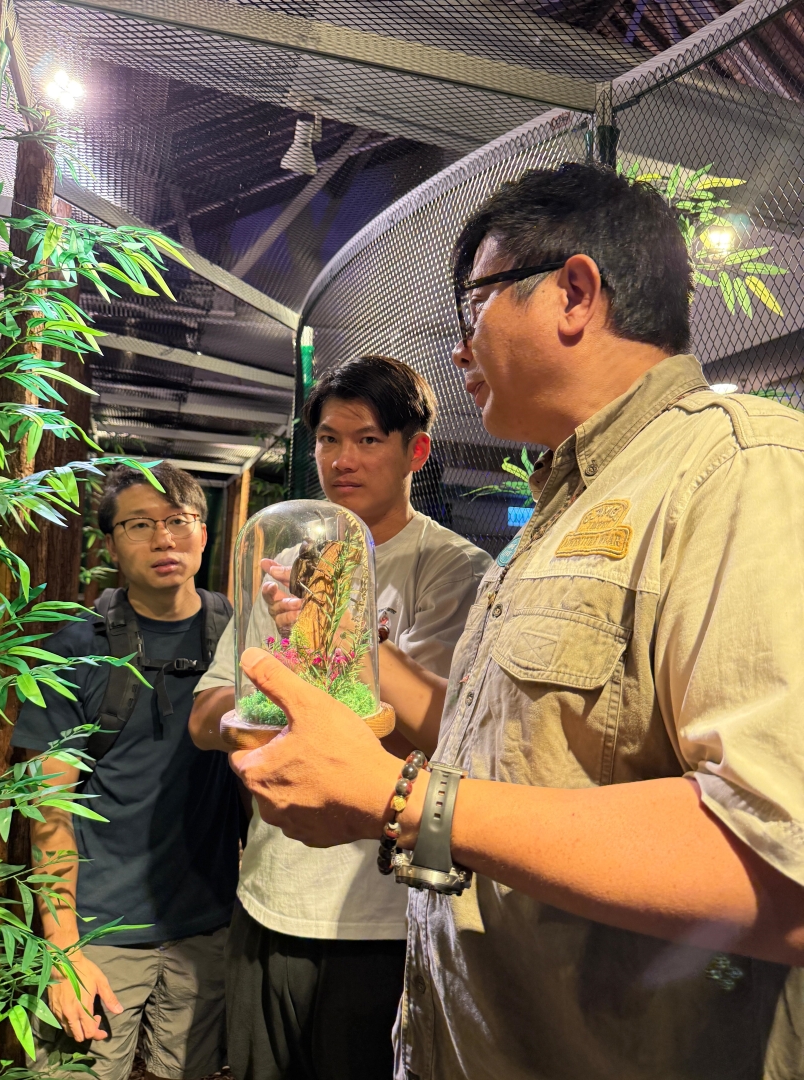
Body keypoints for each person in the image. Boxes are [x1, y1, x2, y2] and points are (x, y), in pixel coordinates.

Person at [229, 163, 804, 1080]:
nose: (459, 353)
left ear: (574, 293)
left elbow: (778, 863)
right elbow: (515, 746)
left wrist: (399, 801)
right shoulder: (565, 506)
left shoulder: (743, 470)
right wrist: (346, 654)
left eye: (473, 310)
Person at [189, 354, 492, 1080]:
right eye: (328, 439)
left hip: (385, 918)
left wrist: (331, 630)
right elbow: (206, 714)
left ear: (416, 451)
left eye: (367, 439)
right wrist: (255, 714)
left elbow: (445, 731)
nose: (341, 459)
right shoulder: (286, 557)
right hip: (268, 897)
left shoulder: (455, 571)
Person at [11, 462, 241, 1080]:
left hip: (207, 928)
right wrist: (62, 948)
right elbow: (48, 809)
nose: (163, 539)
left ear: (203, 533)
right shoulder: (74, 648)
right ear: (111, 544)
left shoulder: (241, 638)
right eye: (139, 524)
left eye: (178, 521)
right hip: (97, 932)